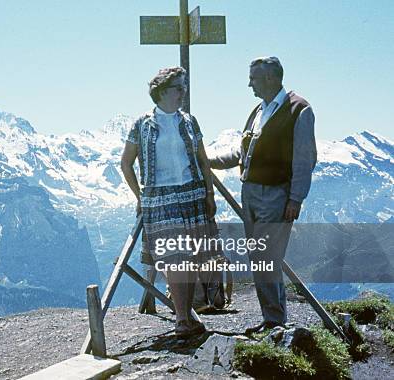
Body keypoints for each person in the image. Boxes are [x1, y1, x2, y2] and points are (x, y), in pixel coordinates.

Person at [210, 56, 317, 332]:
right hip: (251, 194)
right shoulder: (258, 110)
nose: (249, 84)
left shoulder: (299, 110)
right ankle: (273, 318)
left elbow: (304, 160)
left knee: (266, 257)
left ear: (270, 78)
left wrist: (296, 198)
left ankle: (274, 321)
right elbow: (241, 152)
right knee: (259, 257)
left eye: (253, 78)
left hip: (276, 195)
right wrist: (209, 160)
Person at [121, 67, 216, 338]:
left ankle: (186, 317)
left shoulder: (189, 121)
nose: (182, 92)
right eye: (178, 88)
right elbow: (125, 163)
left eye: (184, 87)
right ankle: (183, 319)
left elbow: (202, 159)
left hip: (191, 195)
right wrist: (140, 196)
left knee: (191, 259)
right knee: (174, 259)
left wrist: (209, 194)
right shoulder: (142, 124)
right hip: (160, 199)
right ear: (162, 92)